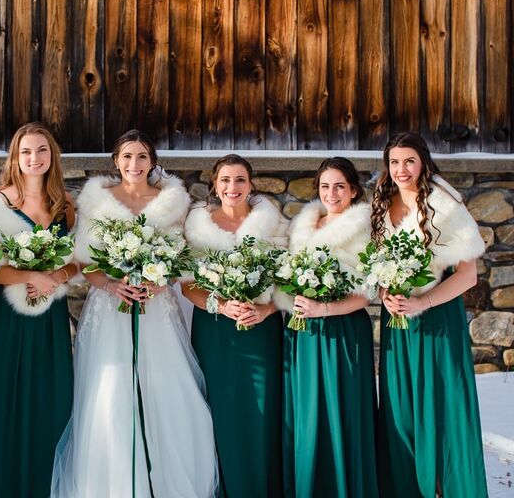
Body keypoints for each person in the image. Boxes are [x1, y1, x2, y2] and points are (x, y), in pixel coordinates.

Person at [51, 130, 218, 498]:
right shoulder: (97, 202)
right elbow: (86, 264)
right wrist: (113, 286)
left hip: (157, 311)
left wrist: (161, 282)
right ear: (116, 161)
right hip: (111, 311)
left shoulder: (171, 203)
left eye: (142, 156)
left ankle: (164, 482)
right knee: (111, 393)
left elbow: (179, 261)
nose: (134, 164)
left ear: (152, 162)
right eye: (127, 156)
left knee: (165, 390)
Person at [372, 132, 487, 497]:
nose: (401, 169)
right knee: (402, 408)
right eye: (394, 162)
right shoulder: (381, 204)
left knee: (442, 405)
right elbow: (375, 268)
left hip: (437, 319)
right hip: (397, 323)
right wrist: (385, 293)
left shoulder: (445, 205)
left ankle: (449, 487)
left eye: (409, 161)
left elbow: (468, 276)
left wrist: (422, 303)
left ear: (423, 163)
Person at [0, 122, 76, 497]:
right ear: (14, 157)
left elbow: (78, 260)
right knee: (5, 397)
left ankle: (46, 484)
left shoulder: (64, 205)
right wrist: (31, 275)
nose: (34, 158)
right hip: (9, 317)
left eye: (42, 150)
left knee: (52, 395)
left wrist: (57, 275)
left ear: (52, 156)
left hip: (50, 316)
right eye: (26, 151)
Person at [181, 154, 286, 497]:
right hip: (215, 330)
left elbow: (287, 281)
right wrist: (222, 306)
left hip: (261, 329)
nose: (232, 187)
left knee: (263, 407)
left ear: (251, 185)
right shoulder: (198, 227)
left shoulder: (272, 225)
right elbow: (188, 286)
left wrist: (266, 310)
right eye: (225, 180)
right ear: (214, 185)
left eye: (240, 179)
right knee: (221, 408)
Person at [280, 157, 378, 497]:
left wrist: (323, 308)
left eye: (339, 186)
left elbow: (366, 294)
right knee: (308, 412)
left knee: (343, 410)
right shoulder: (304, 226)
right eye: (325, 186)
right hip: (303, 333)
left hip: (342, 331)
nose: (331, 193)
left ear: (353, 191)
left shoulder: (363, 229)